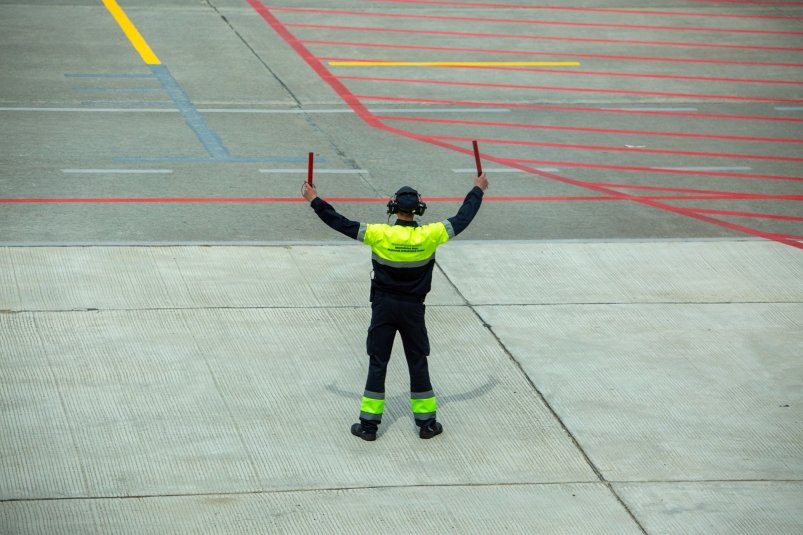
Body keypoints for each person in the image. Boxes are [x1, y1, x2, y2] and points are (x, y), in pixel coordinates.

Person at [302, 172, 488, 441]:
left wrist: (314, 199)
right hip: (414, 309)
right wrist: (477, 189)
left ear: (393, 208)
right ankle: (426, 424)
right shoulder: (431, 234)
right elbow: (463, 217)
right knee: (417, 362)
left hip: (384, 308)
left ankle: (368, 427)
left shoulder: (379, 234)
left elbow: (339, 222)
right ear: (419, 209)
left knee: (378, 363)